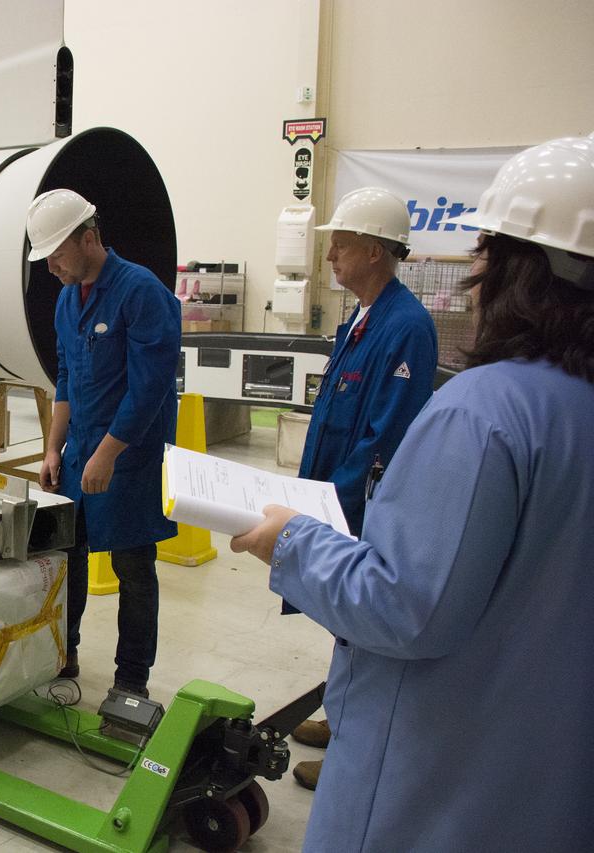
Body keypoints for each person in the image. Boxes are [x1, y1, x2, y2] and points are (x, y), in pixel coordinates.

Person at [231, 135, 594, 853]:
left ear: (516, 265)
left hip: (431, 786)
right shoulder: (572, 403)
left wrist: (292, 539)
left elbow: (406, 604)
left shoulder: (485, 411)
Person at [288, 186, 438, 789]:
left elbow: (384, 436)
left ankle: (358, 745)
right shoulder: (360, 320)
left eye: (341, 247)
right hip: (334, 496)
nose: (330, 260)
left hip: (363, 506)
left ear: (375, 251)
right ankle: (342, 713)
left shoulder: (407, 327)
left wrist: (328, 504)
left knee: (362, 623)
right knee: (342, 624)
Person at [29, 188, 179, 698]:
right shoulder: (67, 299)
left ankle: (131, 679)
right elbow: (67, 378)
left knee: (132, 568)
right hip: (82, 453)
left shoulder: (141, 292)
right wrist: (54, 449)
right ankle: (63, 652)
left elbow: (150, 387)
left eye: (58, 253)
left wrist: (108, 453)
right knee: (68, 554)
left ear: (90, 239)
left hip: (128, 458)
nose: (51, 266)